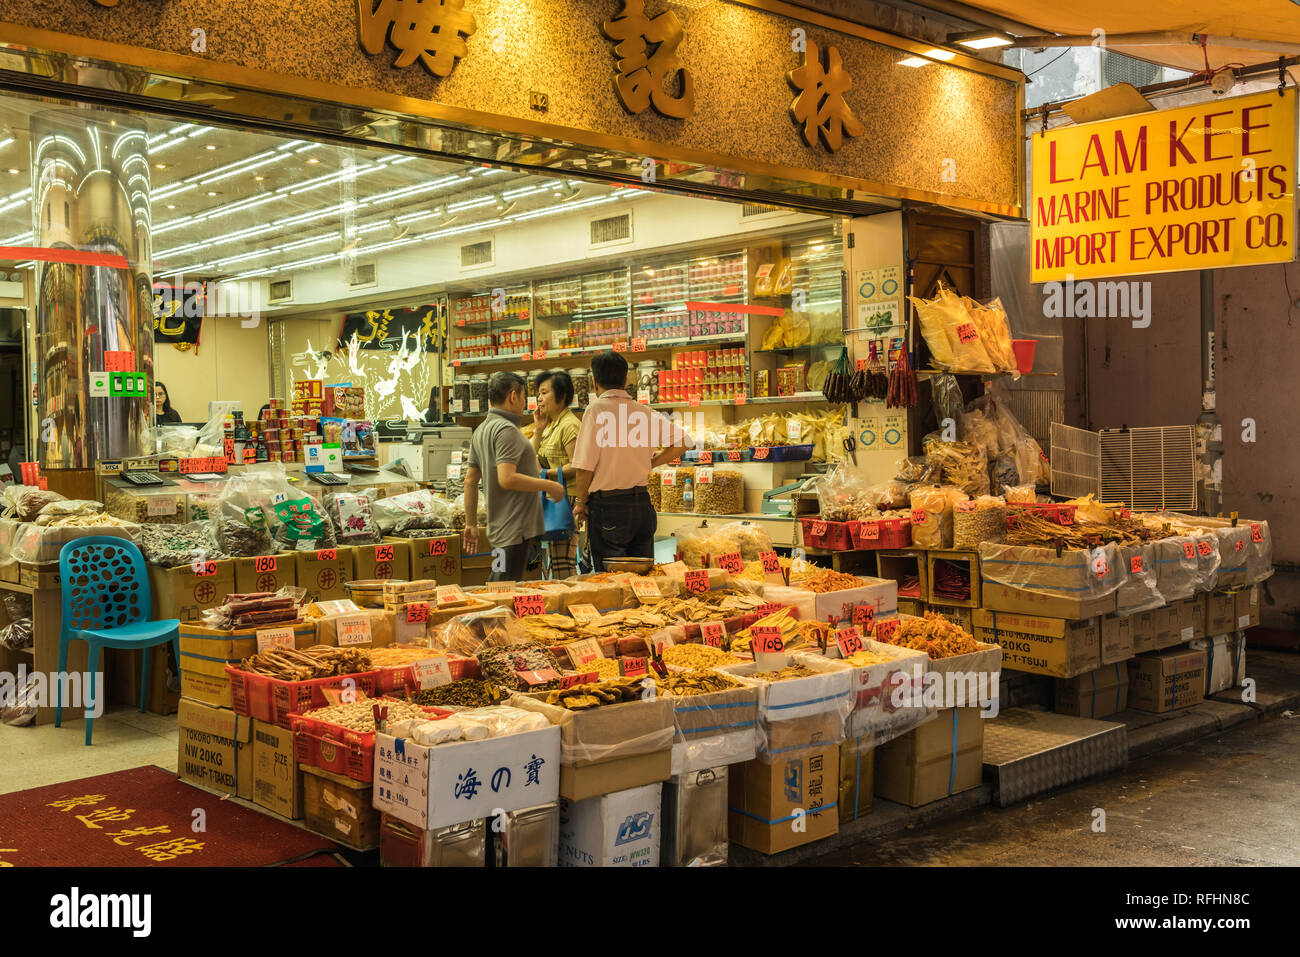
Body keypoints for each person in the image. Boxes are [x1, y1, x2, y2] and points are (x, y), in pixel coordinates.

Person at [571, 351, 692, 571]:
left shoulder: (596, 410)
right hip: (641, 506)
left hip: (608, 508)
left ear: (594, 382)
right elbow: (684, 441)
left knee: (612, 581)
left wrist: (580, 502)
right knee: (643, 576)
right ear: (626, 381)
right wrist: (652, 462)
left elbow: (584, 467)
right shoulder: (643, 411)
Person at [464, 371, 567, 582]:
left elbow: (470, 481)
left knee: (501, 585)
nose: (524, 403)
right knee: (503, 589)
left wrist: (471, 524)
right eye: (523, 397)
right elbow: (507, 478)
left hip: (502, 528)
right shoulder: (506, 430)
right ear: (512, 396)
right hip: (514, 528)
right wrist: (548, 485)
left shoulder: (482, 429)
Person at [530, 371, 582, 578]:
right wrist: (538, 430)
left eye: (544, 392)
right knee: (558, 560)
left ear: (561, 395)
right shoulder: (553, 425)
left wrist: (545, 473)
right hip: (555, 497)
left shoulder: (569, 425)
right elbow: (534, 457)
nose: (539, 399)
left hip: (567, 499)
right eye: (538, 394)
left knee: (563, 563)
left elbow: (578, 465)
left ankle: (571, 604)